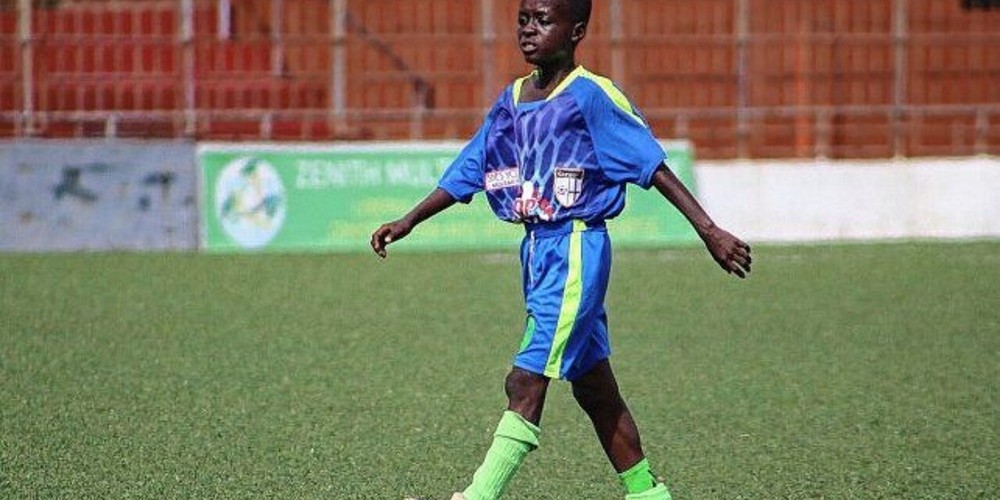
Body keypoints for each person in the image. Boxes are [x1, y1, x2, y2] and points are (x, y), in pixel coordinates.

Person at [371, 0, 752, 498]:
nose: (529, 30)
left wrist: (709, 230)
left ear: (576, 31)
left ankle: (476, 496)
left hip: (575, 247)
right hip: (536, 251)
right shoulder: (510, 101)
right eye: (523, 19)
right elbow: (471, 168)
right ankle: (649, 494)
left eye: (542, 20)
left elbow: (651, 165)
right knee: (595, 389)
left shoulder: (591, 96)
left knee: (524, 382)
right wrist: (408, 220)